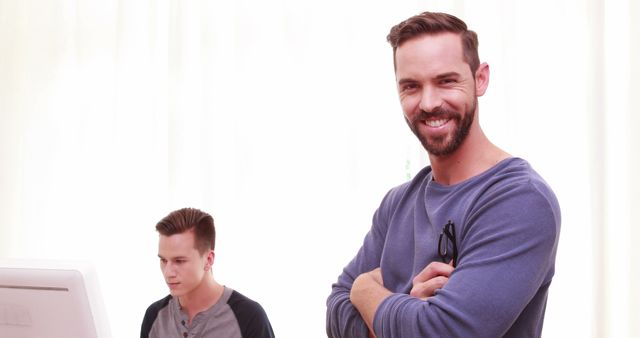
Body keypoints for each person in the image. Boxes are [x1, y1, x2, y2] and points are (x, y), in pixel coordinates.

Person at [326, 11, 561, 338]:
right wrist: (409, 307)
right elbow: (335, 314)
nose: (429, 102)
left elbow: (441, 332)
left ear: (480, 79)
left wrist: (365, 289)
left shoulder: (519, 200)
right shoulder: (396, 204)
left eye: (446, 81)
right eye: (411, 86)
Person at [141, 207, 275, 338]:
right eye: (164, 260)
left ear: (208, 260)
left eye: (179, 261)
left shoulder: (249, 317)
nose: (168, 272)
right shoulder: (154, 316)